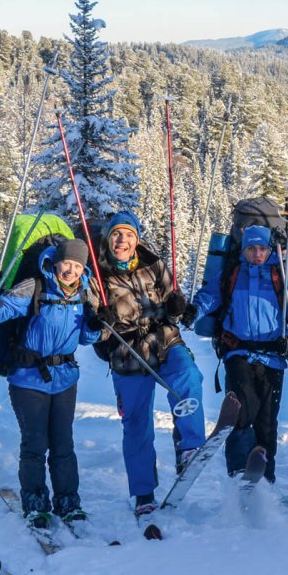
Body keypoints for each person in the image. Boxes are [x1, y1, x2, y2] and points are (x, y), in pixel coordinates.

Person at [92, 210, 206, 517]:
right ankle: (143, 493)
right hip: (126, 351)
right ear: (108, 238)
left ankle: (190, 446)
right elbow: (92, 325)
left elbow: (173, 305)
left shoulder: (154, 264)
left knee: (188, 378)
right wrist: (99, 323)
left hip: (163, 340)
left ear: (136, 239)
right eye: (117, 234)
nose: (122, 240)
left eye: (128, 234)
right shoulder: (98, 275)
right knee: (137, 424)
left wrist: (179, 307)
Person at [0, 237, 100, 530]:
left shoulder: (83, 294)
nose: (71, 270)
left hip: (65, 378)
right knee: (35, 444)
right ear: (56, 262)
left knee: (63, 444)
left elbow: (86, 338)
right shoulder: (34, 287)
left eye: (77, 265)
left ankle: (68, 502)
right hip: (28, 379)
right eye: (67, 263)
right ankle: (35, 504)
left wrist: (96, 326)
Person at [187, 224, 288, 483]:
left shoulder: (280, 275)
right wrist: (191, 311)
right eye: (251, 248)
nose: (257, 253)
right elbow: (208, 297)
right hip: (238, 353)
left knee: (267, 421)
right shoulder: (232, 274)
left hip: (273, 357)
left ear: (270, 249)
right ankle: (238, 469)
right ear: (244, 249)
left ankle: (264, 477)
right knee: (240, 412)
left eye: (262, 248)